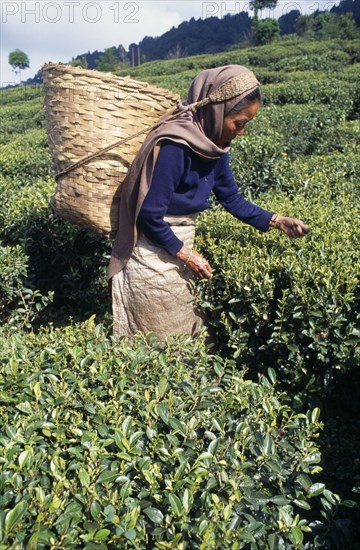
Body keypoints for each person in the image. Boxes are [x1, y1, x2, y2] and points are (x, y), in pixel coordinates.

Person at [108, 65, 309, 339]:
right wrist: (186, 255)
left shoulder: (215, 147)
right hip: (152, 253)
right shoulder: (175, 146)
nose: (241, 133)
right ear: (218, 110)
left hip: (179, 245)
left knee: (187, 337)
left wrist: (277, 221)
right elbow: (149, 215)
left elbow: (232, 198)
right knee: (156, 339)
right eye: (239, 123)